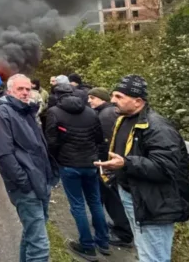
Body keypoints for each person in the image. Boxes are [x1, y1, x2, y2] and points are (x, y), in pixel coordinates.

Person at [95, 75, 189, 262]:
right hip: (133, 195)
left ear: (138, 101)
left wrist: (125, 163)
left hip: (154, 204)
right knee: (143, 247)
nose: (112, 100)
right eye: (112, 95)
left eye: (119, 96)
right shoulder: (124, 120)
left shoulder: (158, 127)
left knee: (154, 256)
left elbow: (166, 167)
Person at [0, 74, 59, 262]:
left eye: (28, 89)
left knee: (32, 235)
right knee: (40, 247)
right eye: (20, 89)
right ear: (10, 90)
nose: (25, 92)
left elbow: (37, 146)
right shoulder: (2, 113)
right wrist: (24, 183)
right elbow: (5, 155)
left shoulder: (27, 110)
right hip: (26, 187)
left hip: (41, 182)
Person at [45, 83, 109, 260]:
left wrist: (57, 160)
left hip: (69, 165)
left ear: (56, 95)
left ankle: (87, 246)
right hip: (91, 164)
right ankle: (103, 241)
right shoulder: (90, 111)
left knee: (78, 205)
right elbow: (99, 138)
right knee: (95, 202)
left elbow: (51, 141)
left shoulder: (54, 112)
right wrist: (97, 158)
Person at [87, 87, 133, 248]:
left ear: (102, 99)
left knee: (112, 197)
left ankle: (124, 233)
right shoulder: (110, 112)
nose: (89, 101)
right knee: (112, 196)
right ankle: (121, 226)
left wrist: (104, 162)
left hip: (109, 163)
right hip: (113, 163)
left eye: (93, 98)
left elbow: (107, 142)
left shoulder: (105, 115)